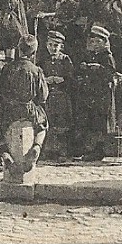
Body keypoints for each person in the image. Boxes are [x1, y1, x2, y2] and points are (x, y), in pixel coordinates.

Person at [0, 33, 49, 173]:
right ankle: (37, 146)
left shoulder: (7, 68)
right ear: (34, 52)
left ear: (18, 49)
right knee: (43, 126)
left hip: (9, 110)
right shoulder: (37, 71)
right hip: (29, 110)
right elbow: (43, 96)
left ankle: (4, 153)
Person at [73, 25, 122, 161]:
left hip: (102, 95)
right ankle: (90, 148)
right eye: (93, 42)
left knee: (100, 123)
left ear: (105, 42)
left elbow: (110, 73)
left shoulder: (107, 56)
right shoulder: (93, 55)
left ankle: (99, 149)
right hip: (92, 93)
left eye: (98, 42)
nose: (95, 44)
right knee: (92, 121)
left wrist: (95, 68)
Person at [41, 29, 75, 158]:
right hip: (49, 96)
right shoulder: (43, 60)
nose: (53, 48)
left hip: (62, 96)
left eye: (56, 45)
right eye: (50, 45)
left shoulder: (65, 59)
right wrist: (46, 80)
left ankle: (62, 150)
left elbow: (71, 78)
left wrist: (63, 79)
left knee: (62, 122)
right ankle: (49, 149)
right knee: (49, 121)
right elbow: (39, 76)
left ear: (61, 47)